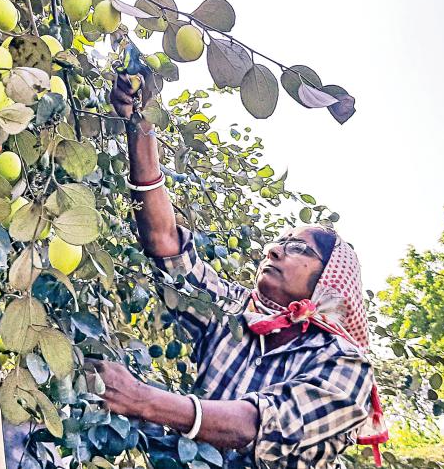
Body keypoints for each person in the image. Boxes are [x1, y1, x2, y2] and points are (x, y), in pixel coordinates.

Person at [84, 73, 388, 468]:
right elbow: (166, 244)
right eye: (278, 243)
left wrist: (142, 399)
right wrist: (141, 124)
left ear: (329, 280)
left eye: (298, 249)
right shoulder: (234, 312)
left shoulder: (346, 364)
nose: (274, 250)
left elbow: (256, 425)